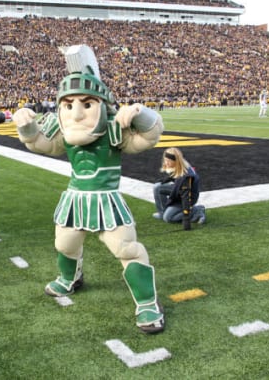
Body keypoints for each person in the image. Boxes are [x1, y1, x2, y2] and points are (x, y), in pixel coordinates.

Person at [12, 44, 165, 334]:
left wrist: (139, 113)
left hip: (106, 200)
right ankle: (70, 278)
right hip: (75, 198)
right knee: (65, 245)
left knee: (127, 249)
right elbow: (40, 144)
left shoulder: (113, 132)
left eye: (86, 104)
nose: (77, 113)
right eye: (68, 106)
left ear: (101, 106)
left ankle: (147, 303)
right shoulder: (66, 134)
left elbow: (151, 135)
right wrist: (27, 128)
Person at [152, 147, 206, 226]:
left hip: (188, 196)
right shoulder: (179, 166)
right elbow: (176, 177)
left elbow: (186, 197)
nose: (166, 163)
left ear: (176, 162)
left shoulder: (185, 177)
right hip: (180, 189)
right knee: (157, 187)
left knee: (168, 218)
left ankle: (197, 211)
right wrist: (166, 180)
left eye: (168, 161)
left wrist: (186, 218)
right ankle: (162, 213)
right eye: (165, 160)